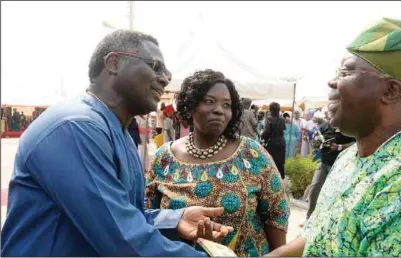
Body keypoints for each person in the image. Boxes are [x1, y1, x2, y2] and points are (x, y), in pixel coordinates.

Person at [1, 30, 234, 257]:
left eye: (167, 72)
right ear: (113, 63)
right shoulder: (76, 127)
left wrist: (175, 219)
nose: (165, 78)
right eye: (155, 67)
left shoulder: (118, 133)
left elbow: (124, 216)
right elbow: (122, 240)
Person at [267, 18, 401, 257]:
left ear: (390, 90)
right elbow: (317, 236)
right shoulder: (349, 157)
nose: (332, 81)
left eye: (345, 71)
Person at [147, 69, 289, 256]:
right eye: (209, 101)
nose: (219, 110)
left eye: (227, 105)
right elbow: (149, 217)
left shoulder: (252, 154)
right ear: (190, 106)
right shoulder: (163, 157)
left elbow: (276, 214)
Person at [303, 113, 355, 219]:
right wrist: (317, 144)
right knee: (315, 188)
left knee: (336, 194)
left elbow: (356, 143)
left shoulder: (349, 128)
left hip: (342, 166)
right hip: (324, 163)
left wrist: (340, 147)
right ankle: (309, 218)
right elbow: (314, 144)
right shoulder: (323, 127)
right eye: (331, 113)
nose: (332, 116)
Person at [262, 102, 286, 179]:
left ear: (270, 109)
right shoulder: (282, 119)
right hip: (281, 142)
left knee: (271, 161)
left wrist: (262, 137)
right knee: (280, 162)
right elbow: (283, 129)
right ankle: (281, 178)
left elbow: (266, 132)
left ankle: (272, 178)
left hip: (272, 143)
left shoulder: (268, 119)